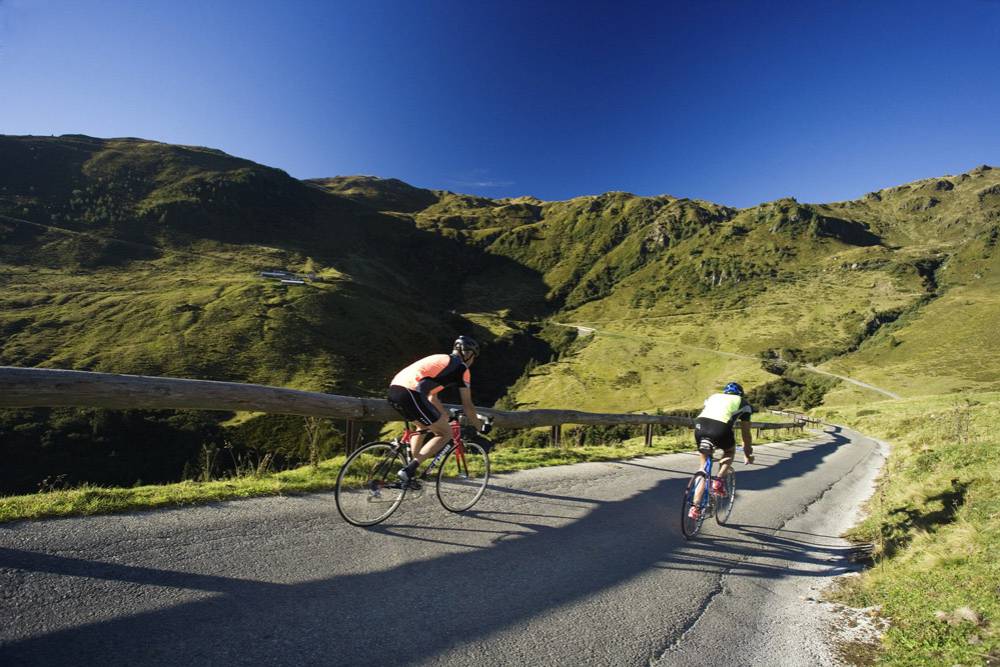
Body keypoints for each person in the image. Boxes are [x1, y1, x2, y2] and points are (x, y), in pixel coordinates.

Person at [387, 336, 484, 487]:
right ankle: (409, 470)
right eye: (474, 357)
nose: (473, 361)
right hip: (412, 393)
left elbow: (432, 397)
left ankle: (410, 471)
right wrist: (480, 427)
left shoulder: (439, 359)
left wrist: (443, 416)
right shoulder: (461, 368)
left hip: (394, 391)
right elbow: (468, 405)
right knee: (445, 433)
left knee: (423, 427)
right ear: (468, 354)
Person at [688, 381, 755, 519]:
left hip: (700, 426)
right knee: (729, 451)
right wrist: (748, 454)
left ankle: (695, 508)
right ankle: (718, 481)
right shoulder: (744, 403)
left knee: (703, 467)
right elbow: (746, 434)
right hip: (721, 429)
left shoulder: (714, 396)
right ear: (740, 394)